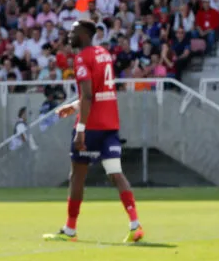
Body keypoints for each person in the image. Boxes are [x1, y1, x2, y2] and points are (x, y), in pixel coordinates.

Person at [45, 19, 145, 244]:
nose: (69, 35)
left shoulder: (82, 57)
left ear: (84, 34)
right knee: (115, 172)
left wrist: (80, 129)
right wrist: (74, 106)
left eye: (73, 32)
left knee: (77, 176)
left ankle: (70, 230)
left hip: (90, 127)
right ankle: (135, 224)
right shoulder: (104, 54)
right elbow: (97, 92)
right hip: (110, 124)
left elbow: (89, 94)